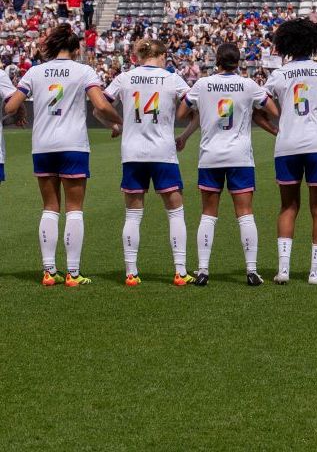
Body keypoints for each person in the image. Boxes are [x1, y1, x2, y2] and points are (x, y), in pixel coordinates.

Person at [4, 24, 120, 287]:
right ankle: (73, 273)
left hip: (42, 145)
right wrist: (120, 122)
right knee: (75, 209)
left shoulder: (34, 71)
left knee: (49, 207)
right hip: (73, 145)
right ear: (76, 49)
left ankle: (48, 271)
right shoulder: (83, 70)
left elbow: (11, 105)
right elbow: (101, 104)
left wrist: (18, 111)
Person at [177, 43, 280, 287]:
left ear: (218, 61)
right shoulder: (248, 85)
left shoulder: (202, 84)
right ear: (239, 62)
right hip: (240, 156)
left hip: (210, 156)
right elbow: (273, 109)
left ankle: (203, 270)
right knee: (245, 214)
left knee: (208, 214)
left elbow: (182, 112)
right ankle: (251, 271)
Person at [104, 38, 194, 286]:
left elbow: (99, 106)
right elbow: (193, 107)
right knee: (175, 212)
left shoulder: (125, 77)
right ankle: (180, 271)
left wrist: (115, 124)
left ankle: (131, 273)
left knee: (133, 215)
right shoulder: (172, 78)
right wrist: (185, 135)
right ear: (162, 54)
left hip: (133, 153)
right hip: (163, 152)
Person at [265, 18, 317, 285]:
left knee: (288, 206)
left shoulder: (278, 74)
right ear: (314, 43)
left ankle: (283, 270)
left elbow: (258, 106)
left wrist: (276, 126)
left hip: (286, 144)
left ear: (285, 43)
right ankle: (314, 272)